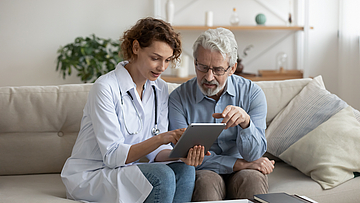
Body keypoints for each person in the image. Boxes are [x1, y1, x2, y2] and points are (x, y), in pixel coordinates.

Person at [61, 17, 206, 203]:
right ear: (136, 48)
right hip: (94, 174)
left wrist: (181, 154)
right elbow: (113, 156)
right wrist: (163, 137)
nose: (162, 67)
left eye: (167, 60)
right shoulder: (105, 88)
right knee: (162, 176)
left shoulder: (159, 88)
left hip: (127, 170)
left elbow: (156, 153)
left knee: (185, 169)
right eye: (155, 58)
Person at [168, 27, 275, 201]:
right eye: (202, 67)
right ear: (195, 63)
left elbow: (254, 155)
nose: (209, 77)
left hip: (246, 170)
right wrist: (239, 164)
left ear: (232, 68)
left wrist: (246, 123)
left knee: (253, 179)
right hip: (205, 170)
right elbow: (184, 156)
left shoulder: (252, 93)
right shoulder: (178, 98)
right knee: (205, 183)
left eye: (218, 70)